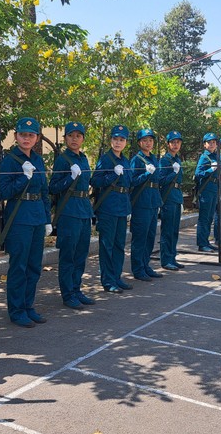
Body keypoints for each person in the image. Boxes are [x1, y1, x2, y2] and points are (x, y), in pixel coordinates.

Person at [0, 117, 52, 328]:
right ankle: (17, 310)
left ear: (37, 138)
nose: (26, 138)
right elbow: (3, 192)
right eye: (23, 134)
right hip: (19, 218)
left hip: (37, 216)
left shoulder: (38, 160)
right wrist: (23, 178)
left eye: (31, 135)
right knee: (18, 266)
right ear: (16, 136)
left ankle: (29, 306)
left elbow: (44, 191)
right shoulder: (10, 160)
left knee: (34, 266)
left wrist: (47, 219)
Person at [48, 121, 94, 309]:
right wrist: (70, 178)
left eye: (78, 136)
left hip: (84, 209)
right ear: (65, 138)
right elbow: (53, 187)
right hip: (69, 212)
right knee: (68, 255)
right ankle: (68, 294)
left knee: (81, 254)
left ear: (83, 139)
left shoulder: (83, 158)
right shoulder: (62, 160)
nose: (74, 139)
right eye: (70, 136)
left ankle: (76, 289)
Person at [91, 125, 133, 293]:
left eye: (121, 140)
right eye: (115, 139)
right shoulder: (106, 159)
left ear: (126, 143)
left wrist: (128, 207)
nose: (118, 142)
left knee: (119, 245)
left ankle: (116, 276)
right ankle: (108, 281)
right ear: (111, 140)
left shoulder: (125, 160)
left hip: (122, 206)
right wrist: (112, 175)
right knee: (107, 245)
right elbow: (95, 181)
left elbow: (129, 184)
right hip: (108, 207)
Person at [130, 128, 163, 281]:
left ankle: (145, 264)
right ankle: (138, 268)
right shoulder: (137, 159)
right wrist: (145, 174)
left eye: (150, 140)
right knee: (140, 237)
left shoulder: (154, 158)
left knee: (150, 236)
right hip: (141, 202)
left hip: (153, 201)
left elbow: (157, 181)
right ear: (139, 142)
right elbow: (132, 181)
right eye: (145, 140)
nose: (148, 143)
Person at [158, 131, 184, 270]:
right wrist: (173, 173)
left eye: (178, 142)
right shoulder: (164, 160)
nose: (175, 145)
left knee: (174, 230)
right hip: (168, 197)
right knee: (167, 230)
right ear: (168, 144)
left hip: (176, 197)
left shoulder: (177, 159)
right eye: (173, 142)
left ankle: (172, 257)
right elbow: (161, 180)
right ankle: (166, 259)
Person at [194, 132, 220, 252]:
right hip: (206, 190)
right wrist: (210, 170)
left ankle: (206, 241)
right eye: (209, 142)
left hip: (214, 188)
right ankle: (201, 243)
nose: (211, 144)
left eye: (213, 142)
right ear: (205, 144)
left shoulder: (215, 156)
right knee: (204, 218)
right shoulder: (205, 157)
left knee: (209, 217)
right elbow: (198, 174)